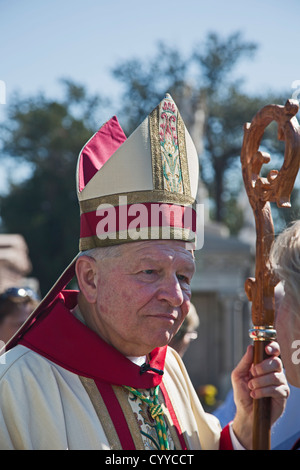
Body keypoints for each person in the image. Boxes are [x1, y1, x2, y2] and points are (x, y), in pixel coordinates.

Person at [0, 94, 288, 451]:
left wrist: (246, 425)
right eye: (150, 271)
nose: (176, 295)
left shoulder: (168, 369)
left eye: (184, 276)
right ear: (90, 278)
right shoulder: (16, 385)